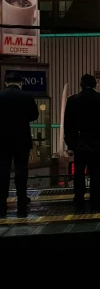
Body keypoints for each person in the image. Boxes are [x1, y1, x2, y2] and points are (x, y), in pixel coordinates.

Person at [64, 74, 100, 212]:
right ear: (95, 85)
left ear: (81, 85)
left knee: (79, 171)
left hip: (79, 141)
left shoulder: (72, 100)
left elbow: (67, 123)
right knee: (95, 171)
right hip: (98, 141)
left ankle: (79, 197)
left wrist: (70, 142)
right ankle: (94, 197)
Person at [0, 72, 40, 217]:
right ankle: (22, 198)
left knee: (3, 169)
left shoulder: (0, 96)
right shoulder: (26, 96)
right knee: (21, 169)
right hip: (21, 139)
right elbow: (34, 115)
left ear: (6, 83)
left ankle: (1, 200)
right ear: (21, 83)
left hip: (2, 140)